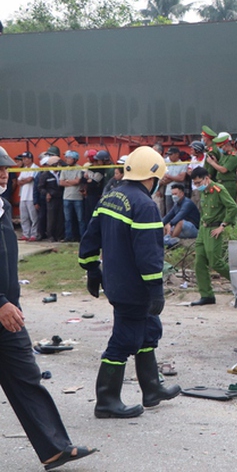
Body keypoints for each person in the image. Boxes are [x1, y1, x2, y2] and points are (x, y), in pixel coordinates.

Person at [0, 145, 97, 470]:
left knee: (27, 376)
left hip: (8, 315)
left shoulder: (0, 206)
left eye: (5, 170)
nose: (3, 175)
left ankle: (55, 448)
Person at [78, 146, 181, 419]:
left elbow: (90, 237)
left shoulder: (111, 197)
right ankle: (107, 400)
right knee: (124, 341)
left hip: (116, 282)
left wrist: (91, 268)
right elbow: (149, 255)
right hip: (134, 287)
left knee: (147, 330)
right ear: (153, 177)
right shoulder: (145, 205)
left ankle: (152, 388)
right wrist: (156, 289)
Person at [190, 166, 237, 306]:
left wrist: (223, 226)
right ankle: (206, 295)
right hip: (203, 229)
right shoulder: (204, 192)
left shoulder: (218, 189)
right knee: (199, 262)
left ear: (207, 178)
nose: (197, 186)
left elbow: (233, 207)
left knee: (215, 262)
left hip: (215, 229)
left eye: (199, 183)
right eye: (195, 183)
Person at [162, 183, 200, 247]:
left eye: (175, 194)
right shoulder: (176, 204)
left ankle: (171, 243)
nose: (173, 196)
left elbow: (180, 215)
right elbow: (168, 216)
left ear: (182, 193)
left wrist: (170, 224)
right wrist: (160, 224)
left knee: (180, 222)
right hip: (181, 229)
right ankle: (163, 240)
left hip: (193, 229)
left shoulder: (187, 203)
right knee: (165, 225)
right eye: (172, 194)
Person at [206, 132, 237, 201]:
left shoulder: (233, 156)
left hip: (228, 184)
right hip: (220, 183)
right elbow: (220, 166)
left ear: (226, 145)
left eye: (221, 147)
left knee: (227, 205)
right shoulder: (224, 155)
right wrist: (216, 162)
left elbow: (224, 170)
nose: (221, 149)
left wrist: (212, 163)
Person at [60, 150, 85, 242]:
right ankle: (68, 236)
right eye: (66, 157)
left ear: (75, 159)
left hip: (77, 197)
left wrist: (67, 181)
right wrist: (72, 182)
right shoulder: (64, 169)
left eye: (69, 158)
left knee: (80, 219)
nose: (67, 159)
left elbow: (77, 181)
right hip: (66, 197)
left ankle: (82, 236)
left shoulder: (79, 168)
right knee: (67, 219)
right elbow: (61, 182)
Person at [38, 155, 65, 242]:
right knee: (51, 218)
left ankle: (59, 235)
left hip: (61, 197)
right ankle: (51, 236)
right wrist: (46, 193)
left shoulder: (61, 173)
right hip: (51, 198)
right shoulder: (45, 175)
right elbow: (40, 187)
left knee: (60, 217)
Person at [17, 151, 39, 241]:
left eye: (26, 158)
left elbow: (30, 179)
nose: (24, 160)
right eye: (23, 159)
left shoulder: (35, 168)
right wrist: (24, 180)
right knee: (24, 217)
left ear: (30, 159)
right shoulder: (24, 169)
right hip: (23, 196)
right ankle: (25, 234)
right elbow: (19, 182)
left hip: (31, 197)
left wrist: (24, 180)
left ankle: (34, 234)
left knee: (34, 217)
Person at [161, 147, 188, 213]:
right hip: (168, 192)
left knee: (179, 211)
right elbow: (163, 178)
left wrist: (169, 177)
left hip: (179, 192)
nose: (169, 156)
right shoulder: (166, 163)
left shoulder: (183, 164)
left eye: (171, 154)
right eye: (169, 155)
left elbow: (181, 178)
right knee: (169, 211)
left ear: (177, 154)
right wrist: (175, 178)